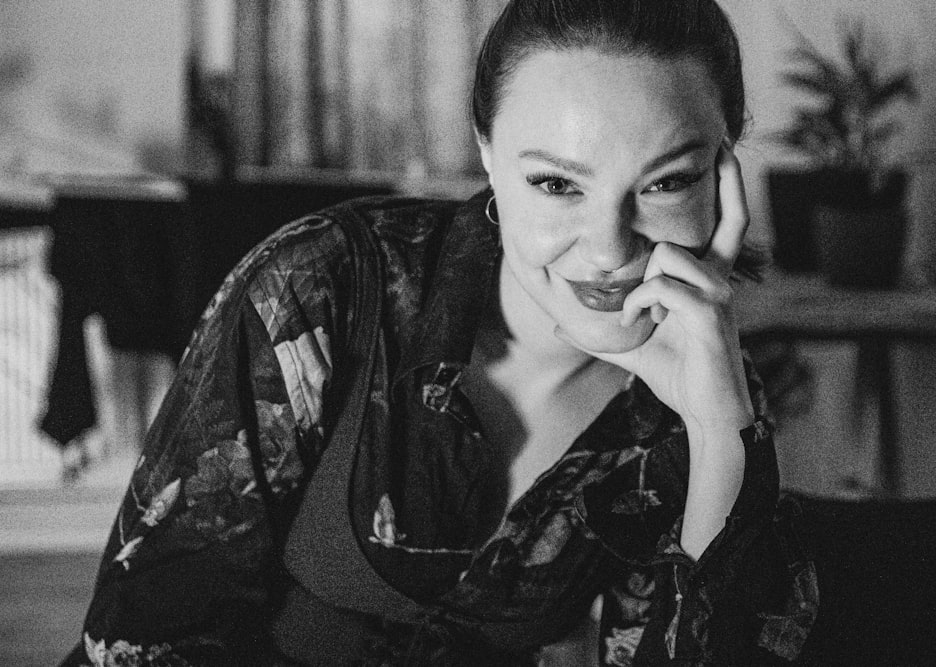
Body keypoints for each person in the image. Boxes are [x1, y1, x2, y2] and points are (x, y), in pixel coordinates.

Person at [64, 0, 817, 664]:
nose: (608, 248)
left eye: (665, 183)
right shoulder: (324, 286)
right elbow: (144, 638)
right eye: (557, 183)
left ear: (725, 175)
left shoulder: (706, 392)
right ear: (487, 153)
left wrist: (718, 433)